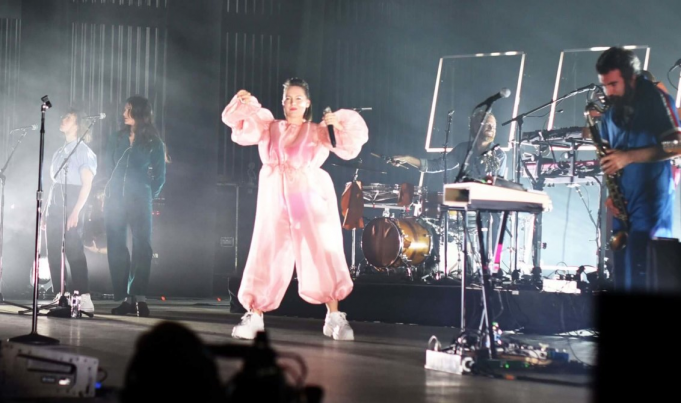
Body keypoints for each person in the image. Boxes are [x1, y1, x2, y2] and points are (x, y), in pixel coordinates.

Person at [221, 77, 368, 340]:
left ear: (308, 103)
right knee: (267, 249)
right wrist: (245, 103)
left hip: (307, 194)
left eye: (298, 98)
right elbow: (243, 128)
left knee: (321, 249)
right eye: (288, 98)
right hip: (275, 194)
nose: (292, 103)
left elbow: (348, 146)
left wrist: (337, 125)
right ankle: (255, 314)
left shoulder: (318, 130)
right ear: (282, 101)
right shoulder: (270, 127)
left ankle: (334, 314)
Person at [595, 47, 681, 291]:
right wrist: (612, 193)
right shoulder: (611, 112)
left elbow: (677, 145)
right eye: (605, 85)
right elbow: (611, 156)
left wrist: (629, 157)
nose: (608, 92)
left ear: (631, 78)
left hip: (651, 200)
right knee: (622, 271)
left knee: (646, 272)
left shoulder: (657, 99)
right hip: (623, 202)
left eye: (613, 84)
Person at [104, 96, 166, 317]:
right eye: (124, 108)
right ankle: (123, 299)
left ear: (140, 113)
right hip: (114, 200)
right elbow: (107, 166)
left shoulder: (154, 142)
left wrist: (147, 194)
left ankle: (139, 297)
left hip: (140, 198)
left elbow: (160, 176)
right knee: (116, 248)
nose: (124, 113)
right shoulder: (116, 137)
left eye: (128, 109)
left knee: (142, 247)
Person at [46, 107, 97, 313]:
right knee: (53, 250)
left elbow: (87, 184)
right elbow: (55, 183)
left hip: (74, 200)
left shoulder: (84, 151)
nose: (63, 119)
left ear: (77, 125)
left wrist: (76, 211)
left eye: (68, 118)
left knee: (74, 249)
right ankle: (61, 294)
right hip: (55, 202)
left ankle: (84, 296)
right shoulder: (59, 152)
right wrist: (46, 212)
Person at [391, 110, 506, 180]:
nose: (492, 128)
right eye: (488, 124)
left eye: (494, 126)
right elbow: (436, 165)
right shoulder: (462, 149)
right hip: (466, 205)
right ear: (475, 126)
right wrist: (407, 159)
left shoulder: (499, 154)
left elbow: (495, 185)